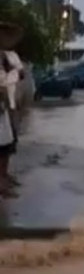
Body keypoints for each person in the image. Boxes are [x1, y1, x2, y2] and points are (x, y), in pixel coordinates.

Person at [0, 22, 24, 198]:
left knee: (8, 144)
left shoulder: (9, 55)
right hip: (3, 104)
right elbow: (4, 81)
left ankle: (4, 177)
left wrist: (12, 74)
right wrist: (12, 74)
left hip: (8, 103)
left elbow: (20, 74)